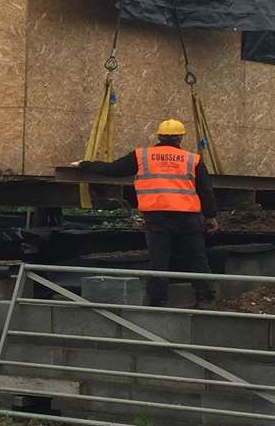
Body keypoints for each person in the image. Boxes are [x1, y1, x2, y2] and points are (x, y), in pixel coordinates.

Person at [72, 118, 219, 308]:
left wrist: (85, 164)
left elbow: (112, 169)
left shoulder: (142, 156)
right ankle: (205, 297)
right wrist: (210, 216)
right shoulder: (193, 159)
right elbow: (206, 190)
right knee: (197, 258)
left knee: (159, 259)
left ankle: (158, 300)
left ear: (159, 136)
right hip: (187, 217)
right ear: (180, 138)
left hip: (157, 217)